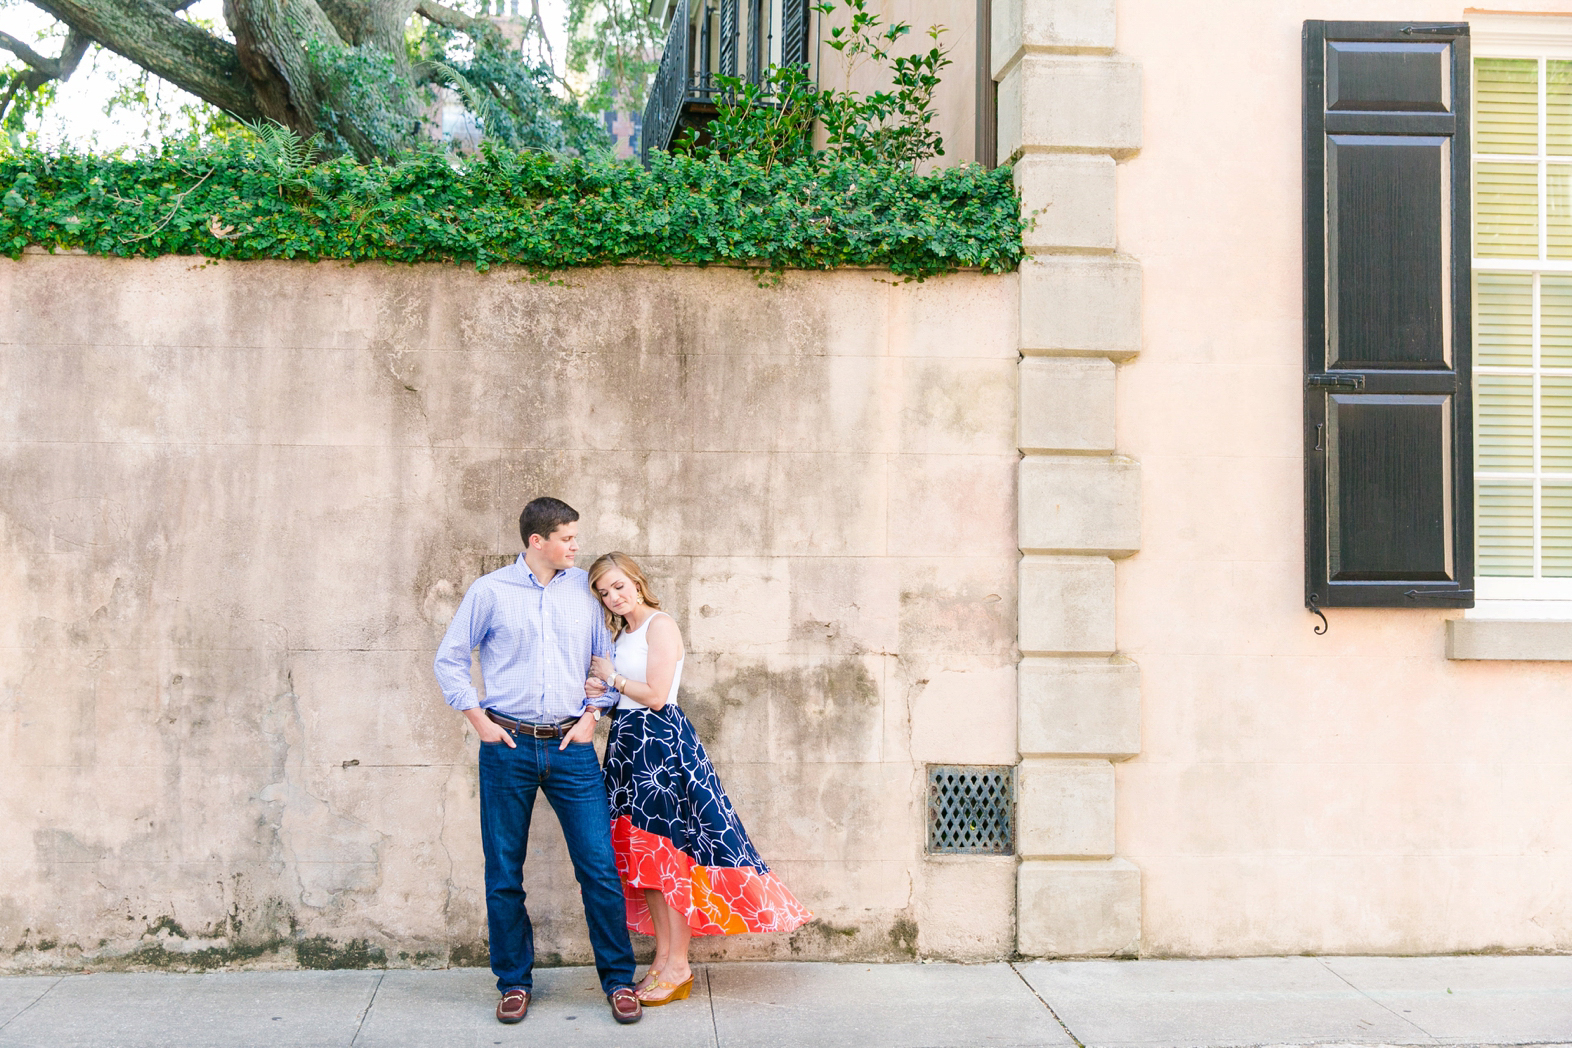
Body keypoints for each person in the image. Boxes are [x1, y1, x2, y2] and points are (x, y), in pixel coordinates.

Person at [432, 498, 643, 1027]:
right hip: (509, 747)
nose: (575, 546)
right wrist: (482, 723)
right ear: (537, 542)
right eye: (567, 538)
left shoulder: (584, 593)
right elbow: (450, 658)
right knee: (504, 872)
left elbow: (604, 660)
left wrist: (592, 716)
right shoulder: (490, 592)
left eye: (575, 537)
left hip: (572, 750)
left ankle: (619, 980)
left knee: (598, 866)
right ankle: (513, 983)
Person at [586, 552, 812, 1006]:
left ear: (636, 580)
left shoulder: (660, 626)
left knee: (670, 860)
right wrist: (604, 695)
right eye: (604, 592)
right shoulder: (623, 631)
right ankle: (663, 961)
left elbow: (654, 695)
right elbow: (627, 699)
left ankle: (680, 965)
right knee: (646, 864)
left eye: (618, 586)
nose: (613, 597)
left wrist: (611, 677)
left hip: (659, 748)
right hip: (628, 746)